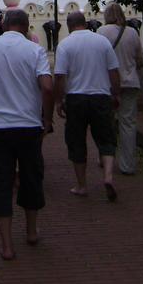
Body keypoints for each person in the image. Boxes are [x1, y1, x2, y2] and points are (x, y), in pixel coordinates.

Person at [0, 9, 54, 261]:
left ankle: (6, 245)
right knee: (31, 178)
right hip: (29, 125)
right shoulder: (34, 50)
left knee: (0, 183)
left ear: (2, 24)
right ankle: (30, 232)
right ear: (28, 26)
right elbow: (48, 87)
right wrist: (46, 118)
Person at [54, 11, 120, 201]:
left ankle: (82, 185)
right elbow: (113, 71)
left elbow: (59, 76)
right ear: (86, 23)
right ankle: (108, 177)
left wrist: (59, 101)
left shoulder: (65, 45)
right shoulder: (101, 41)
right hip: (101, 96)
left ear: (68, 25)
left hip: (76, 99)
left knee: (76, 141)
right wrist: (116, 94)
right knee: (106, 138)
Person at [97, 3, 143, 175]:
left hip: (107, 84)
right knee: (128, 124)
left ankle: (105, 158)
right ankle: (128, 165)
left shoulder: (101, 32)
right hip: (130, 83)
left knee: (106, 124)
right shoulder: (132, 32)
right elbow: (139, 59)